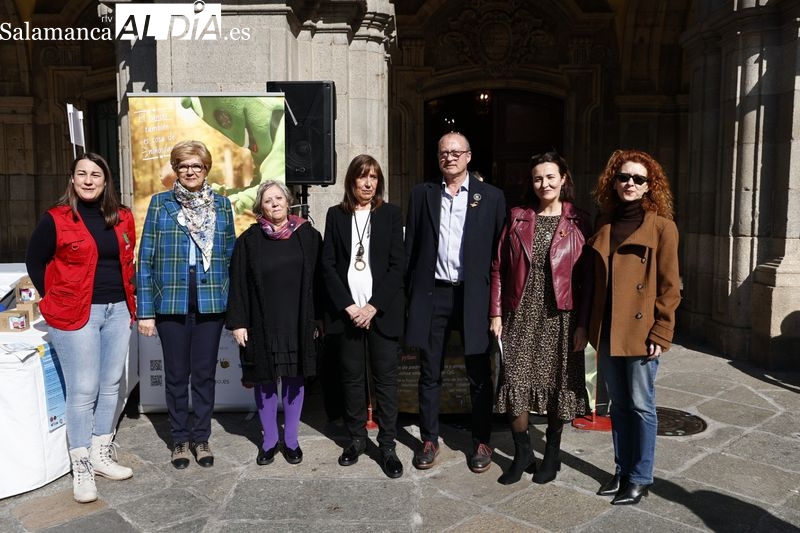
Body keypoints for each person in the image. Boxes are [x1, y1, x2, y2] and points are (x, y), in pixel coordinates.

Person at [25, 153, 136, 503]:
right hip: (76, 314)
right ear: (72, 179)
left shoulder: (122, 217)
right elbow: (35, 260)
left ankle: (102, 453)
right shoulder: (55, 219)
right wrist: (54, 298)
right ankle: (82, 465)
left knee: (110, 385)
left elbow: (126, 261)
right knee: (83, 388)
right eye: (82, 174)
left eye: (96, 175)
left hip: (118, 310)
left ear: (106, 181)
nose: (89, 181)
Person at [405, 132, 507, 473]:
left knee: (478, 372)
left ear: (468, 156)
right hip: (434, 293)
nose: (449, 157)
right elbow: (412, 249)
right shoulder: (422, 194)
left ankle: (481, 441)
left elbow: (498, 257)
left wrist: (496, 307)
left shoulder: (490, 197)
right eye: (443, 152)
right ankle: (429, 438)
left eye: (455, 152)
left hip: (472, 295)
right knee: (429, 371)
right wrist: (410, 299)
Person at [489, 151, 592, 485]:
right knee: (514, 381)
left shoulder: (579, 220)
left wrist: (583, 324)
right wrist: (496, 311)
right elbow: (498, 267)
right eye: (538, 178)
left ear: (563, 178)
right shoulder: (517, 216)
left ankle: (552, 454)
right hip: (521, 312)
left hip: (561, 315)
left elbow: (589, 279)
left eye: (550, 176)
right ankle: (522, 454)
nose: (544, 183)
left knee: (557, 384)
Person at [588, 149, 681, 505]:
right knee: (619, 407)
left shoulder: (662, 227)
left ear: (649, 186)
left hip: (641, 332)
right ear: (614, 182)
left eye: (639, 179)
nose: (630, 183)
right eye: (624, 177)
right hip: (608, 328)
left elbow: (671, 285)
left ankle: (641, 476)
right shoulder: (604, 222)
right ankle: (622, 469)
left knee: (642, 405)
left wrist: (661, 331)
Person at [137, 140, 236, 470]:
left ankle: (201, 437)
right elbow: (145, 261)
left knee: (205, 375)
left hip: (210, 302)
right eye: (183, 166)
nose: (190, 171)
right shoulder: (160, 204)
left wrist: (236, 309)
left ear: (206, 169)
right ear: (175, 170)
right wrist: (146, 311)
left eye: (197, 166)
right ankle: (180, 440)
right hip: (171, 303)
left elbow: (231, 256)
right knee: (177, 376)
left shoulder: (222, 206)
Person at [226, 180, 322, 466]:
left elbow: (319, 281)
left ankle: (291, 440)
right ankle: (269, 440)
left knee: (295, 378)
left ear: (288, 200)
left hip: (297, 320)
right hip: (262, 323)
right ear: (261, 207)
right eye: (268, 200)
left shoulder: (308, 236)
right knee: (265, 382)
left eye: (279, 198)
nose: (275, 204)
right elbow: (238, 285)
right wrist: (238, 323)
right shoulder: (249, 241)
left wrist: (318, 318)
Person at [321, 155, 405, 479]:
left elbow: (399, 265)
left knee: (385, 382)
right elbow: (327, 265)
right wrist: (350, 307)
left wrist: (373, 306)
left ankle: (387, 446)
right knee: (352, 380)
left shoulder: (390, 214)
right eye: (362, 177)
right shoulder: (335, 216)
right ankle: (356, 439)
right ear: (351, 182)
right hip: (347, 316)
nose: (368, 183)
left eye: (373, 177)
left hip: (380, 314)